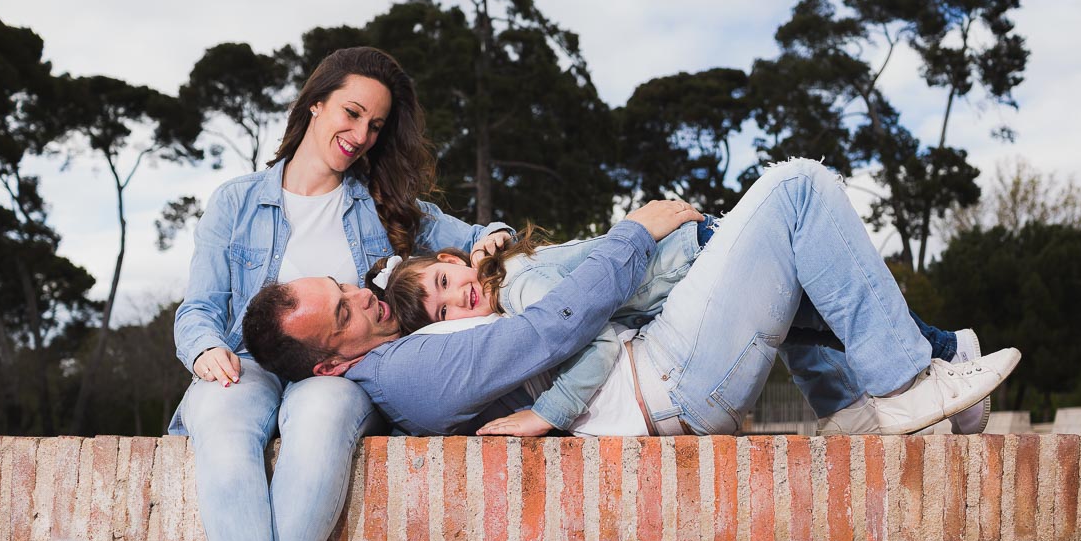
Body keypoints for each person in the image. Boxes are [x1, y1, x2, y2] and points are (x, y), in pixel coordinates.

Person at [170, 47, 511, 541]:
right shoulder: (238, 200)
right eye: (352, 112)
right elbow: (198, 307)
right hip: (246, 356)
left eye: (377, 125)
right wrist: (205, 350)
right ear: (316, 103)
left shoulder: (382, 207)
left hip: (339, 370)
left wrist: (493, 243)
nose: (361, 133)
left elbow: (476, 237)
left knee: (324, 419)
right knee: (223, 420)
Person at [242, 160, 1019, 439]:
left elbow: (526, 311)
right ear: (329, 368)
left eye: (347, 289)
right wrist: (634, 236)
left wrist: (490, 254)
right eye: (342, 313)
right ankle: (907, 381)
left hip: (665, 362)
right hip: (668, 380)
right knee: (796, 188)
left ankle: (898, 389)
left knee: (804, 259)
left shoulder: (405, 345)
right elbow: (555, 330)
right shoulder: (405, 372)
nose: (362, 300)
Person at [365, 217, 991, 437]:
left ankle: (942, 355)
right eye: (443, 313)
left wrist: (549, 412)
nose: (457, 301)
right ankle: (927, 369)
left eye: (444, 284)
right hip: (689, 268)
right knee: (820, 323)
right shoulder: (515, 295)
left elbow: (601, 334)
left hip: (692, 262)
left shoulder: (524, 287)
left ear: (451, 261)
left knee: (825, 313)